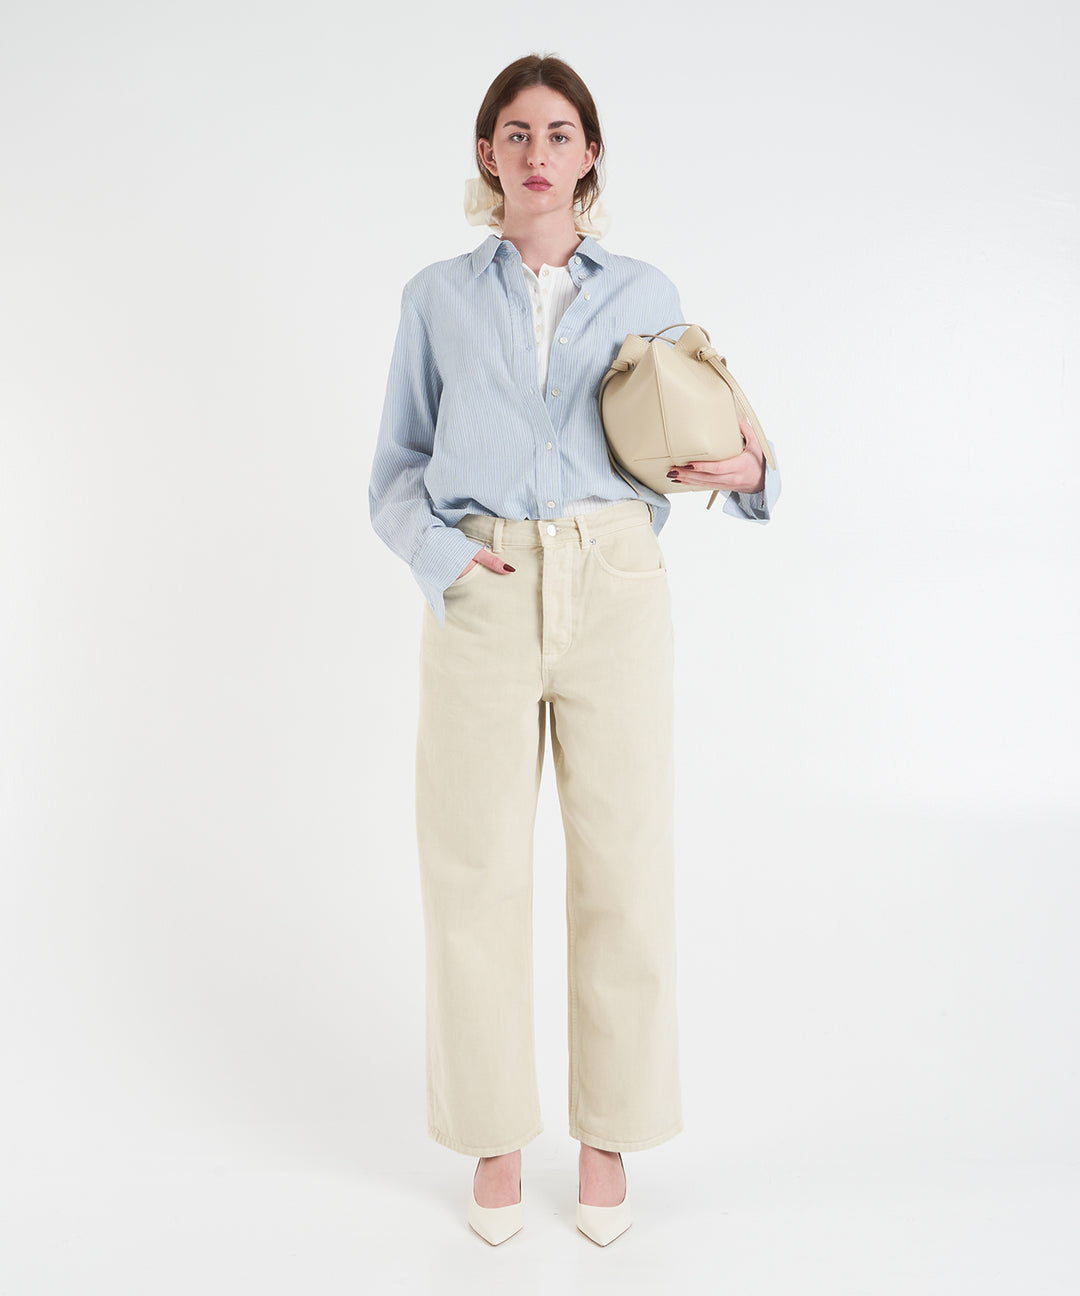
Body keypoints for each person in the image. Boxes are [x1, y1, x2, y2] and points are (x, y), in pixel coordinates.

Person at [368, 53, 781, 1246]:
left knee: (624, 869)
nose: (537, 153)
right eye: (516, 132)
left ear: (589, 154)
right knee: (474, 873)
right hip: (483, 591)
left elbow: (706, 421)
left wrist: (754, 467)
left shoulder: (647, 290)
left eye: (559, 133)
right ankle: (495, 1141)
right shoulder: (435, 299)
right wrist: (446, 558)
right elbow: (395, 470)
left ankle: (609, 1141)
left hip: (614, 589)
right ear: (487, 154)